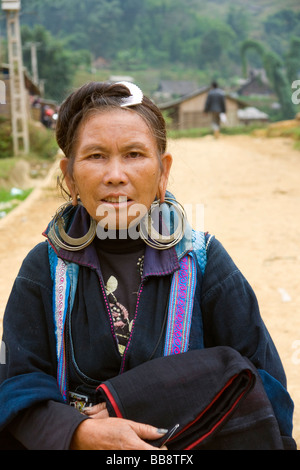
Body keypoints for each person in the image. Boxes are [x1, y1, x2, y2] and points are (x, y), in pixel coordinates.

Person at [0, 81, 296, 450]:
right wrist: (78, 433)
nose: (115, 174)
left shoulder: (203, 262)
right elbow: (13, 381)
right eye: (95, 156)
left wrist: (137, 399)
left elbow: (266, 389)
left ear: (163, 170)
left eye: (134, 154)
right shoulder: (43, 270)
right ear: (69, 175)